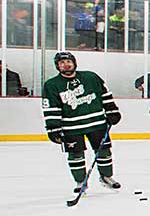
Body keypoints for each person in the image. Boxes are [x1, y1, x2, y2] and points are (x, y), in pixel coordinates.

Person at [41, 50, 120, 196]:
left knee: (104, 151)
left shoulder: (91, 77)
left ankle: (106, 176)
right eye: (62, 63)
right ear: (58, 66)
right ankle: (80, 181)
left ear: (74, 63)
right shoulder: (52, 85)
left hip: (96, 122)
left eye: (68, 61)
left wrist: (112, 110)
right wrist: (53, 128)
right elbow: (51, 107)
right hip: (71, 127)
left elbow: (105, 94)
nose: (66, 65)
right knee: (75, 155)